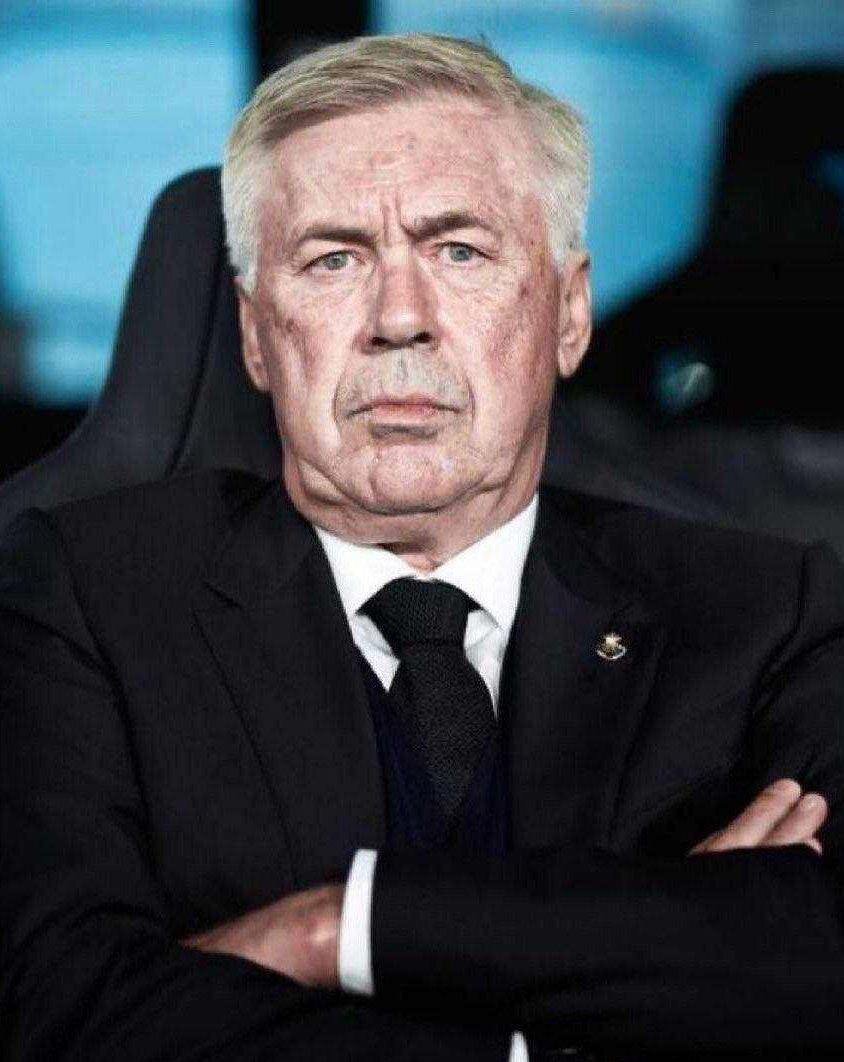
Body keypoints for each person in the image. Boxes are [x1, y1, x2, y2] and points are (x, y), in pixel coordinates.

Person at [1, 34, 843, 1062]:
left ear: (570, 313)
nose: (400, 319)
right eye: (334, 259)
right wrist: (635, 969)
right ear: (257, 335)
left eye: (459, 252)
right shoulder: (84, 596)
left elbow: (820, 959)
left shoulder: (763, 610)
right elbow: (61, 1015)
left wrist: (332, 930)